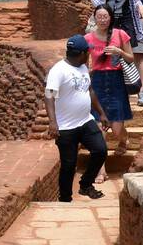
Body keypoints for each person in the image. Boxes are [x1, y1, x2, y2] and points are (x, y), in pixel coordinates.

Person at [44, 35, 112, 202]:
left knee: (100, 150)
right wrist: (53, 123)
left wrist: (101, 113)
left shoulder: (82, 67)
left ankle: (85, 184)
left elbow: (90, 91)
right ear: (82, 53)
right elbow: (49, 96)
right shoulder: (58, 71)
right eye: (87, 52)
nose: (89, 54)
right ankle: (65, 199)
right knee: (68, 165)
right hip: (66, 127)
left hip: (85, 121)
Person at [84, 5, 134, 154]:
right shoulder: (88, 38)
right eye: (99, 17)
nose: (102, 20)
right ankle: (101, 171)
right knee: (100, 129)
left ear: (110, 18)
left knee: (117, 129)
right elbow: (84, 64)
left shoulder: (120, 34)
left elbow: (131, 58)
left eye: (105, 16)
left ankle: (124, 139)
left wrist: (119, 52)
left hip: (116, 82)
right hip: (98, 82)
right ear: (94, 18)